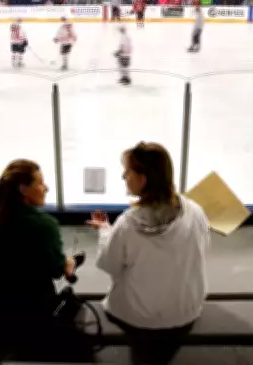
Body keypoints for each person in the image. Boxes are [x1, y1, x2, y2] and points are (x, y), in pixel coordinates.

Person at [87, 142, 210, 365]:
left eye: (127, 172)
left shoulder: (127, 224)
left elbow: (109, 264)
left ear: (143, 179)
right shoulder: (195, 211)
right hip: (187, 311)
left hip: (138, 318)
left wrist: (105, 231)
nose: (123, 176)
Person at [0, 159, 88, 362]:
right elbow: (56, 271)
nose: (46, 188)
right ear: (23, 189)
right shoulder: (44, 225)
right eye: (40, 183)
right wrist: (68, 265)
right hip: (27, 318)